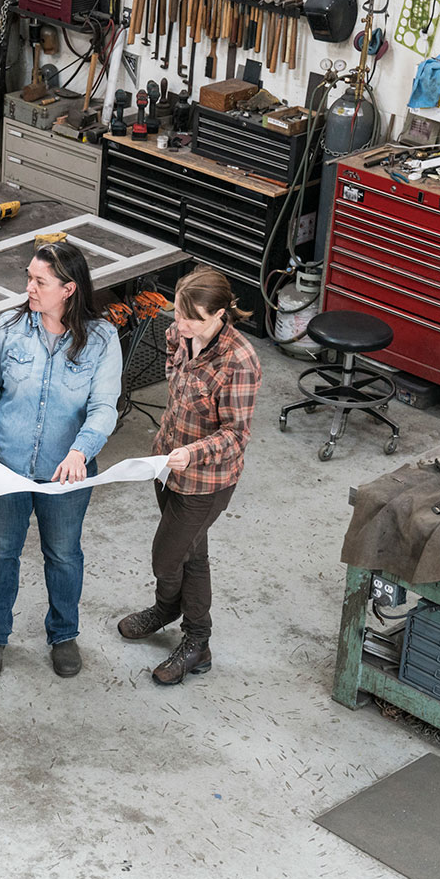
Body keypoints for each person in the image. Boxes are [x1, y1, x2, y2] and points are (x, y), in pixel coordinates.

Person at [0, 241, 122, 679]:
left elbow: (104, 407)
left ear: (68, 289)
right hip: (7, 469)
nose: (28, 287)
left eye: (40, 281)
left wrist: (80, 451)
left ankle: (64, 635)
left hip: (65, 476)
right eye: (29, 278)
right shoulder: (10, 328)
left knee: (64, 554)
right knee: (0, 552)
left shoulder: (102, 340)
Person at [116, 265, 260, 686]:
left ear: (220, 315)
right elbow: (174, 382)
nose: (180, 325)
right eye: (179, 314)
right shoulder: (179, 332)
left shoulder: (240, 361)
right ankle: (181, 627)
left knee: (168, 556)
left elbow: (237, 435)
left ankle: (195, 633)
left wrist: (191, 453)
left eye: (192, 319)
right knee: (191, 553)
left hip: (207, 481)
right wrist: (169, 452)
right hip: (166, 464)